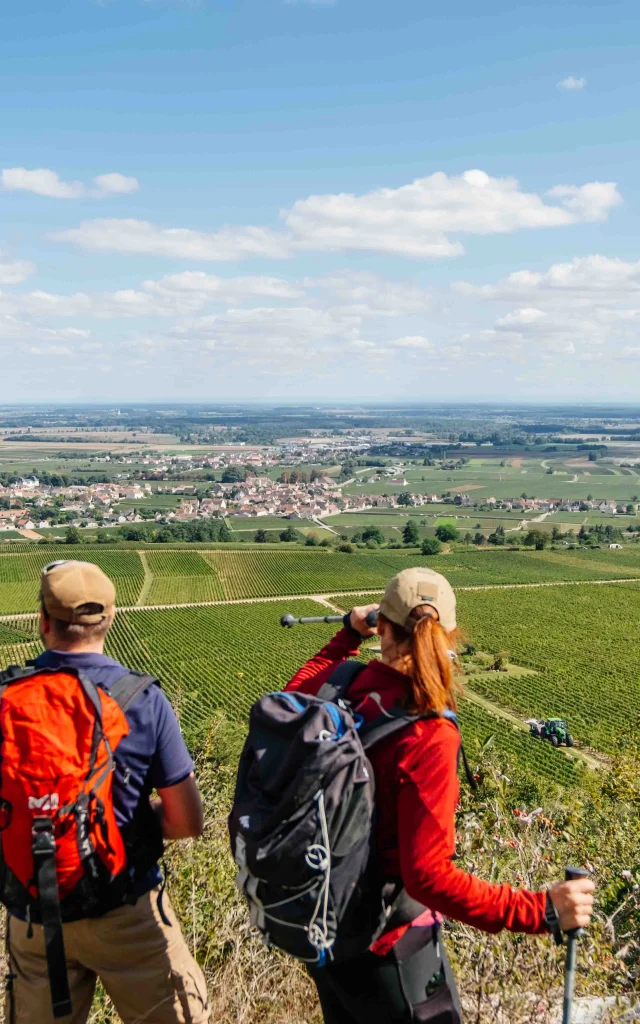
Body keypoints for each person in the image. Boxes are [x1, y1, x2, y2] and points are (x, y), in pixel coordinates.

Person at [285, 567, 595, 1023]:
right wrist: (541, 910)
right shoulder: (427, 732)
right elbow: (427, 877)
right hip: (392, 949)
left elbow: (290, 695)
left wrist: (346, 636)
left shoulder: (343, 686)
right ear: (449, 635)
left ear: (382, 628)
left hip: (326, 932)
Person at [5, 559, 210, 1024]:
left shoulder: (6, 697)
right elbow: (186, 822)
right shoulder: (143, 699)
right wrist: (124, 826)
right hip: (128, 909)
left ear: (41, 620)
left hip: (34, 915)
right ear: (111, 619)